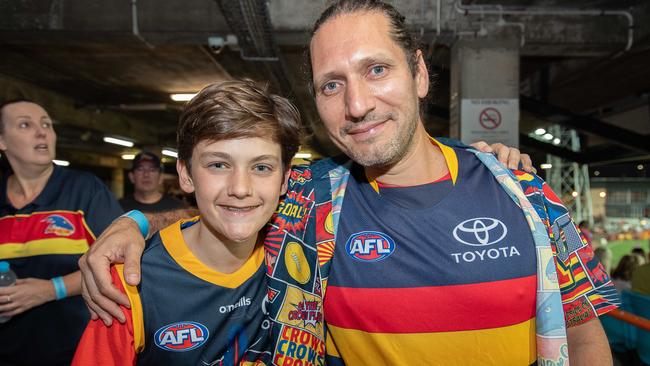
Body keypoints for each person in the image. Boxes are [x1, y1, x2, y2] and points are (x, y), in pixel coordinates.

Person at [79, 1, 618, 365]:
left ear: (421, 73)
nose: (357, 105)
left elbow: (582, 330)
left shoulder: (525, 194)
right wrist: (131, 223)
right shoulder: (308, 202)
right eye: (331, 85)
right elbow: (231, 208)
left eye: (377, 70)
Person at [72, 79, 301, 365]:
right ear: (186, 174)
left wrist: (137, 220)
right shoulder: (132, 283)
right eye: (218, 165)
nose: (241, 188)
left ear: (285, 179)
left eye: (261, 167)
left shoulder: (301, 250)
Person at [0, 100, 123, 365]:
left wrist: (51, 289)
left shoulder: (85, 190)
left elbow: (119, 264)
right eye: (25, 124)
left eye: (46, 124)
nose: (42, 132)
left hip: (76, 351)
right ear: (2, 141)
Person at [119, 151, 186, 212]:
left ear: (161, 178)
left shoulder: (178, 209)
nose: (146, 174)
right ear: (131, 177)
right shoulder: (118, 208)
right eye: (140, 169)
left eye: (152, 170)